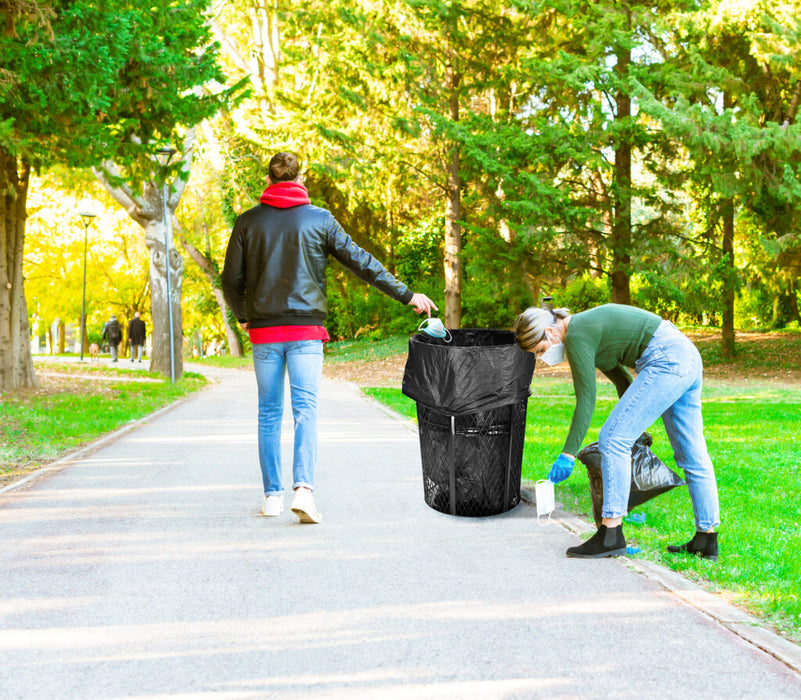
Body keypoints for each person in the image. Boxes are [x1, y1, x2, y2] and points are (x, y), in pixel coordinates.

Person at [222, 152, 437, 524]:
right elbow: (361, 262)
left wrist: (244, 316)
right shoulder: (320, 220)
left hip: (264, 334)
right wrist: (407, 294)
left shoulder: (247, 223)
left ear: (270, 180)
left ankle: (272, 496)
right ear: (299, 178)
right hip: (306, 332)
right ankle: (303, 490)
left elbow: (231, 280)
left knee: (269, 413)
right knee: (305, 411)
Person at [514, 302, 720, 560]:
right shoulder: (586, 329)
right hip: (684, 354)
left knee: (612, 439)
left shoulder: (577, 334)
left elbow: (586, 400)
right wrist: (633, 426)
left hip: (666, 358)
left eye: (541, 349)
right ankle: (707, 539)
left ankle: (611, 533)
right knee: (692, 454)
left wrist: (568, 453)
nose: (542, 357)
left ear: (550, 332)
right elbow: (623, 379)